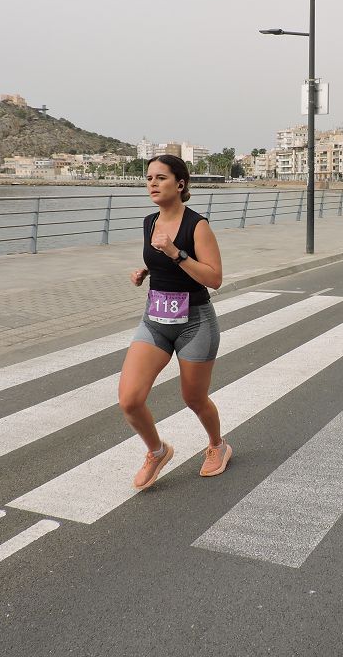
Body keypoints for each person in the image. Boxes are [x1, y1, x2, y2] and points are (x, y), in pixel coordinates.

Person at [119, 154, 230, 490]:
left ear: (180, 184)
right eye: (149, 178)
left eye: (161, 178)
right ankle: (157, 451)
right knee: (130, 399)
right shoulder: (149, 221)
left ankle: (217, 445)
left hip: (195, 323)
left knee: (194, 398)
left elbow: (214, 278)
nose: (152, 184)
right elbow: (161, 260)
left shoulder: (197, 225)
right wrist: (148, 271)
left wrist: (176, 254)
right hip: (155, 319)